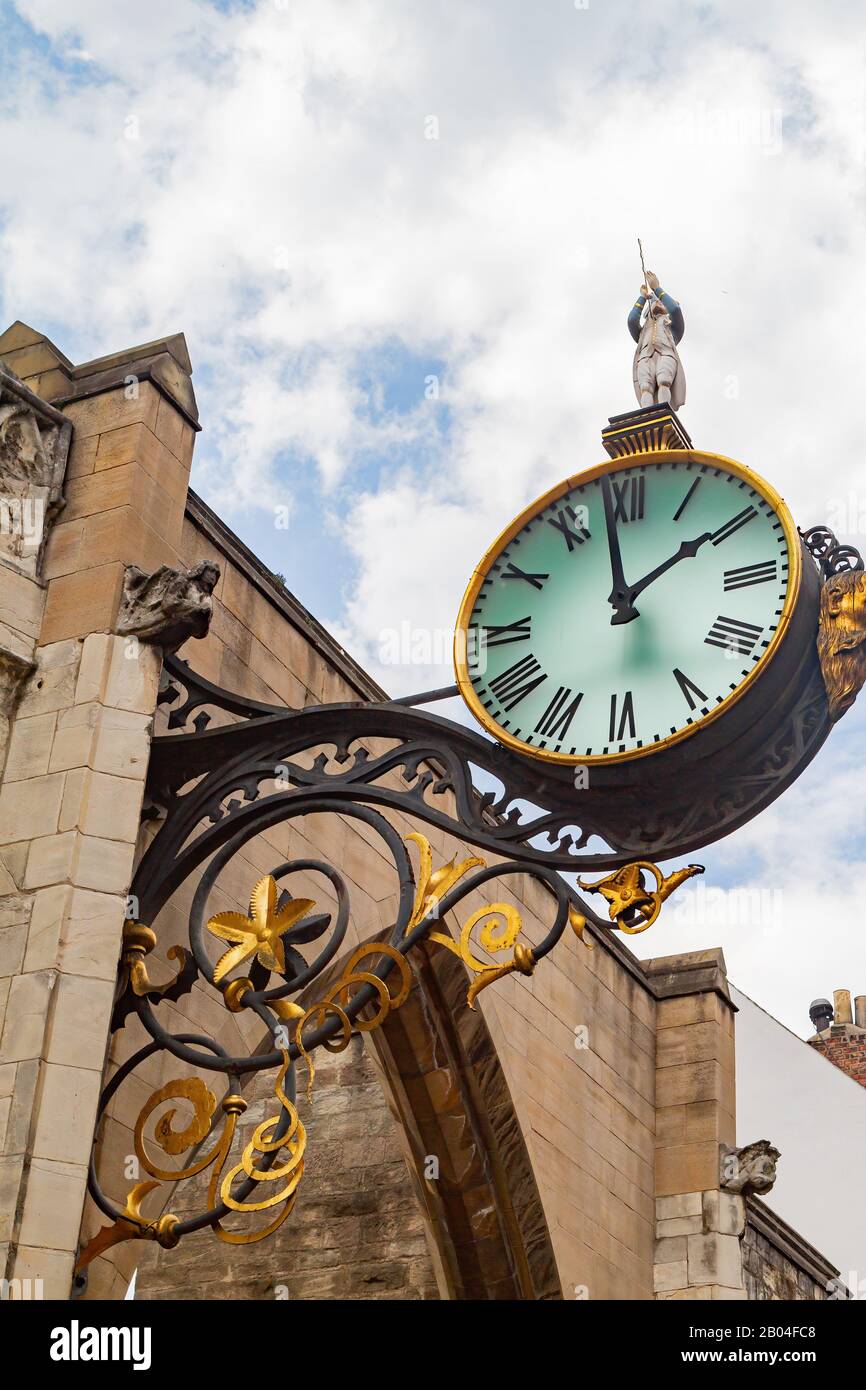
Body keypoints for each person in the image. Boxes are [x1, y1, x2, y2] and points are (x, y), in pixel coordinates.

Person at [627, 270, 686, 409]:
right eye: (655, 301)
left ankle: (663, 413)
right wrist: (643, 297)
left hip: (666, 354)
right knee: (646, 388)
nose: (658, 303)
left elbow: (675, 310)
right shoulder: (642, 332)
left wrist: (656, 288)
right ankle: (648, 417)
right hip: (645, 357)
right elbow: (631, 320)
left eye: (661, 302)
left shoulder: (673, 329)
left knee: (664, 381)